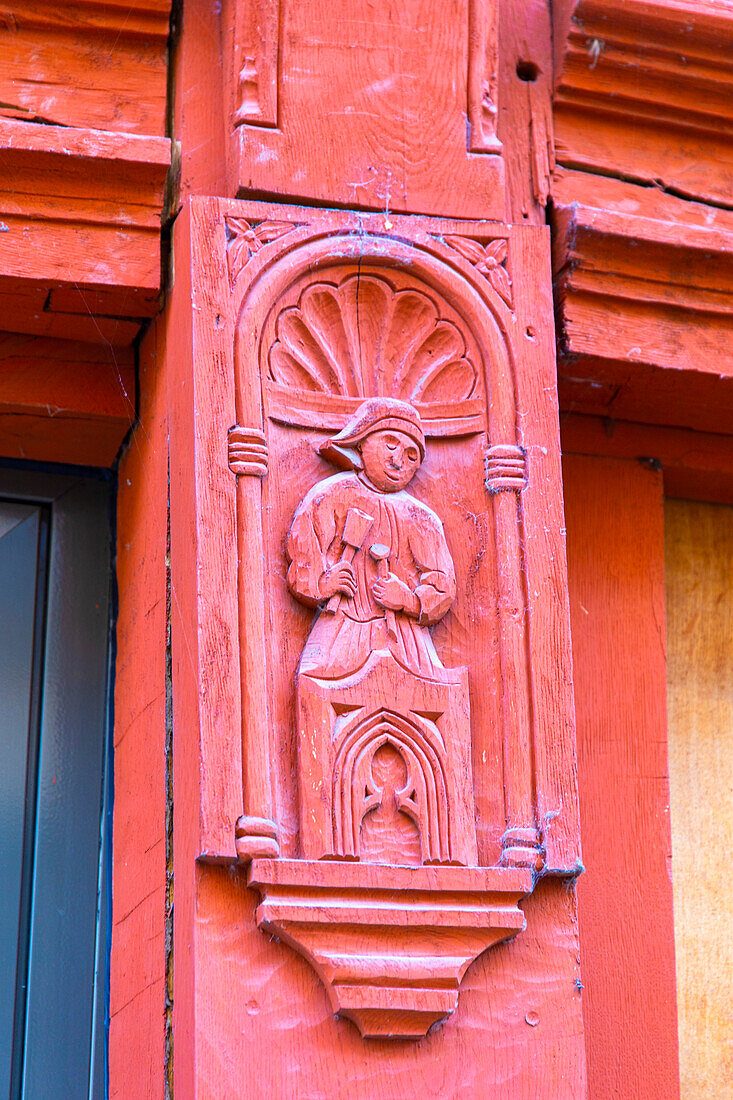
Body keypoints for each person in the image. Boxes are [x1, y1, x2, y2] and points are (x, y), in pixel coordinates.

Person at [286, 398, 456, 680]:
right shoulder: (330, 495)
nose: (398, 460)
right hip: (343, 628)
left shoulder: (422, 519)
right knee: (319, 686)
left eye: (412, 455)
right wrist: (324, 582)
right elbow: (304, 555)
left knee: (423, 694)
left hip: (405, 638)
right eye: (390, 444)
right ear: (361, 442)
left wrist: (409, 601)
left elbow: (442, 583)